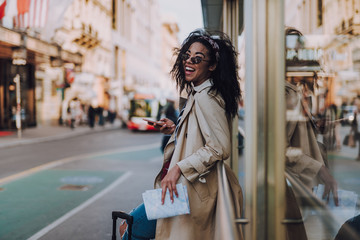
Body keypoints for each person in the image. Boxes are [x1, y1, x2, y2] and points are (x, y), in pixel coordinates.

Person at [119, 29, 243, 240]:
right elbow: (200, 134)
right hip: (180, 191)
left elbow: (220, 147)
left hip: (185, 192)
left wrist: (178, 168)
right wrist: (175, 128)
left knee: (130, 228)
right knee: (129, 228)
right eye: (186, 55)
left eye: (198, 58)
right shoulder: (197, 92)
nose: (189, 62)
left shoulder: (207, 97)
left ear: (211, 66)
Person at [285, 27, 339, 240]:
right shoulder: (287, 93)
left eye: (301, 51)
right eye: (294, 53)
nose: (301, 58)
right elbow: (279, 150)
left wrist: (312, 126)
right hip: (301, 194)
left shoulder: (293, 91)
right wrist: (321, 170)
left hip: (303, 192)